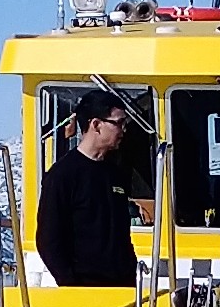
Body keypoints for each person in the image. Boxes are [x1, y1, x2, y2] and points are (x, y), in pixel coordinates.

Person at [34, 93, 144, 288]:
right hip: (84, 290)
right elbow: (48, 239)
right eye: (118, 123)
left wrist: (129, 269)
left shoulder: (115, 173)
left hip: (123, 287)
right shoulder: (62, 176)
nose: (123, 130)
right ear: (96, 125)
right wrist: (70, 284)